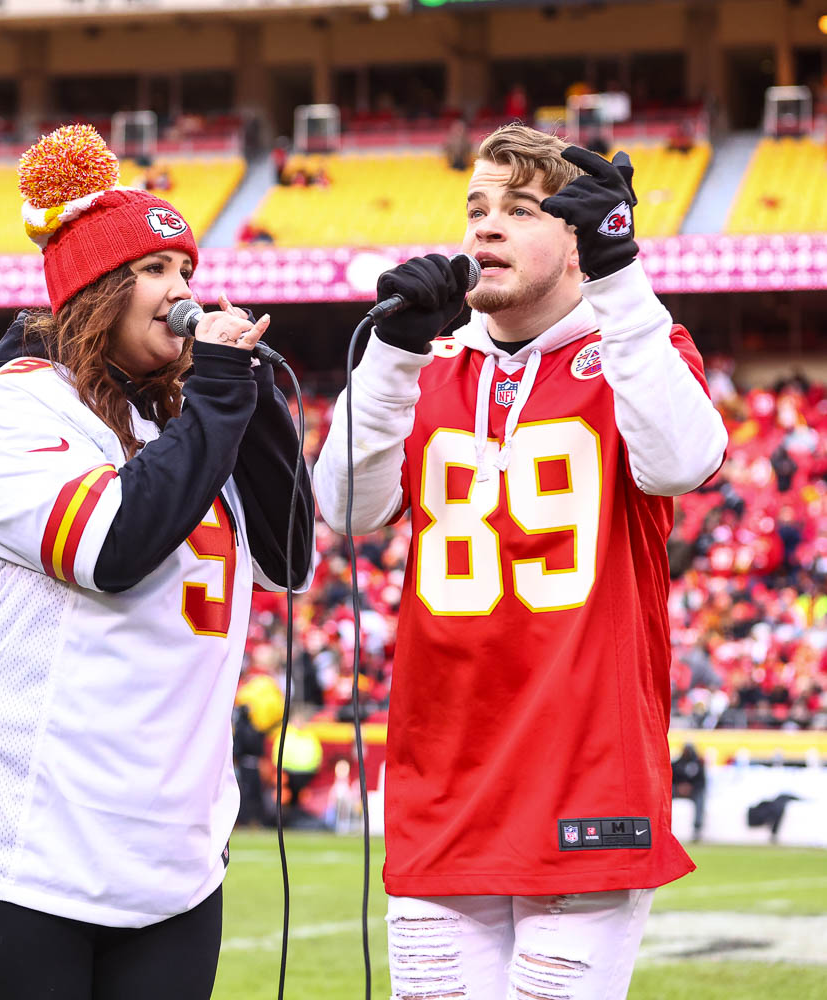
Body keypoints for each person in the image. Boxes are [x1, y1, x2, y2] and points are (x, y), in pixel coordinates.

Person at [314, 123, 728, 998]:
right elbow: (345, 508)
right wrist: (390, 355)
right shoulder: (426, 367)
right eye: (476, 209)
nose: (487, 226)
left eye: (522, 209)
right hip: (441, 772)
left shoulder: (639, 351)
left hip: (586, 765)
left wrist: (622, 277)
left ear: (579, 240)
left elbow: (684, 462)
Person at [0, 124, 314, 999]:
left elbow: (289, 555)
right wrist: (215, 396)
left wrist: (249, 397)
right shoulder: (16, 406)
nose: (184, 290)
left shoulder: (176, 419)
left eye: (187, 269)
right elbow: (112, 546)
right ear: (97, 290)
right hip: (30, 831)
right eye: (155, 269)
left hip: (171, 841)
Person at [671, 742, 707, 842]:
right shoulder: (677, 764)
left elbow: (702, 782)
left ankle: (697, 828)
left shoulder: (698, 765)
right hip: (677, 790)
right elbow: (670, 778)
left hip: (693, 791)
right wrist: (679, 787)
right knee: (665, 796)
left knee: (700, 798)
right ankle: (663, 825)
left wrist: (691, 787)